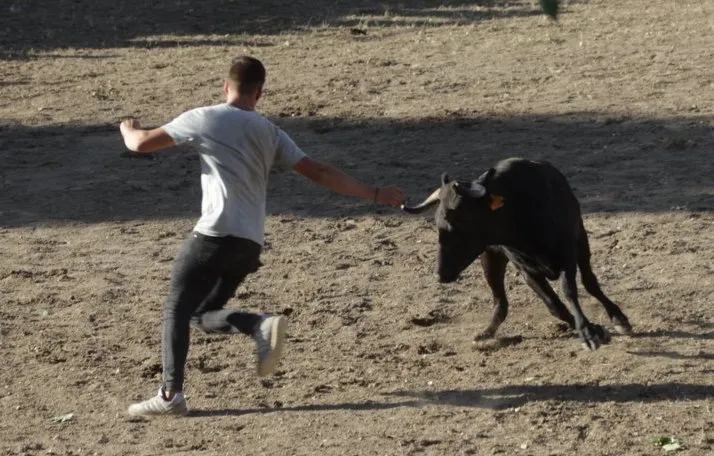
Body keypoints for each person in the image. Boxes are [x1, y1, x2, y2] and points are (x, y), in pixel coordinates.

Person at [119, 56, 406, 416]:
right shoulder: (270, 132)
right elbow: (319, 172)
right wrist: (375, 193)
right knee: (200, 314)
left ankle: (170, 395)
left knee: (176, 307)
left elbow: (141, 144)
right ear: (259, 93)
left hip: (213, 235)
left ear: (226, 86)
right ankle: (257, 325)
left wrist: (128, 128)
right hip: (248, 243)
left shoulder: (205, 117)